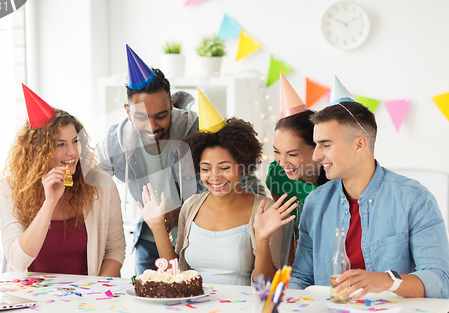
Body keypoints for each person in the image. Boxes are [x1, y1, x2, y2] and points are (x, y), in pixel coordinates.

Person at [97, 46, 265, 275]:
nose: (152, 127)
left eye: (161, 116)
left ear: (171, 106)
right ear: (128, 111)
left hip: (198, 240)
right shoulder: (114, 143)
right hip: (149, 239)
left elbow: (240, 174)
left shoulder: (197, 131)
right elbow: (90, 182)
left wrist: (185, 208)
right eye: (141, 117)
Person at [288, 100, 449, 303]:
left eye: (325, 145)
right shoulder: (315, 203)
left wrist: (388, 281)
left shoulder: (415, 200)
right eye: (316, 144)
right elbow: (301, 278)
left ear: (359, 144)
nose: (316, 155)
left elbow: (441, 281)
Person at [137, 117, 297, 285]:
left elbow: (267, 284)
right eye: (206, 168)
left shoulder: (264, 210)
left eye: (225, 168)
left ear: (242, 166)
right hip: (194, 306)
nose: (214, 177)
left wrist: (262, 239)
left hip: (242, 308)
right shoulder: (191, 206)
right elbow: (176, 274)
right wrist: (157, 227)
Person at [0, 85, 125, 277]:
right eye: (60, 144)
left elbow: (115, 250)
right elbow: (17, 261)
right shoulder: (10, 189)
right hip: (32, 301)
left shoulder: (101, 185)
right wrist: (49, 203)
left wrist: (96, 292)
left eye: (75, 141)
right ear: (37, 150)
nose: (72, 152)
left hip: (88, 300)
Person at [266, 74, 328, 266]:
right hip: (294, 262)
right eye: (277, 152)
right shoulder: (277, 174)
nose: (282, 161)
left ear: (316, 148)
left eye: (292, 154)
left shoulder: (336, 179)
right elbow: (285, 226)